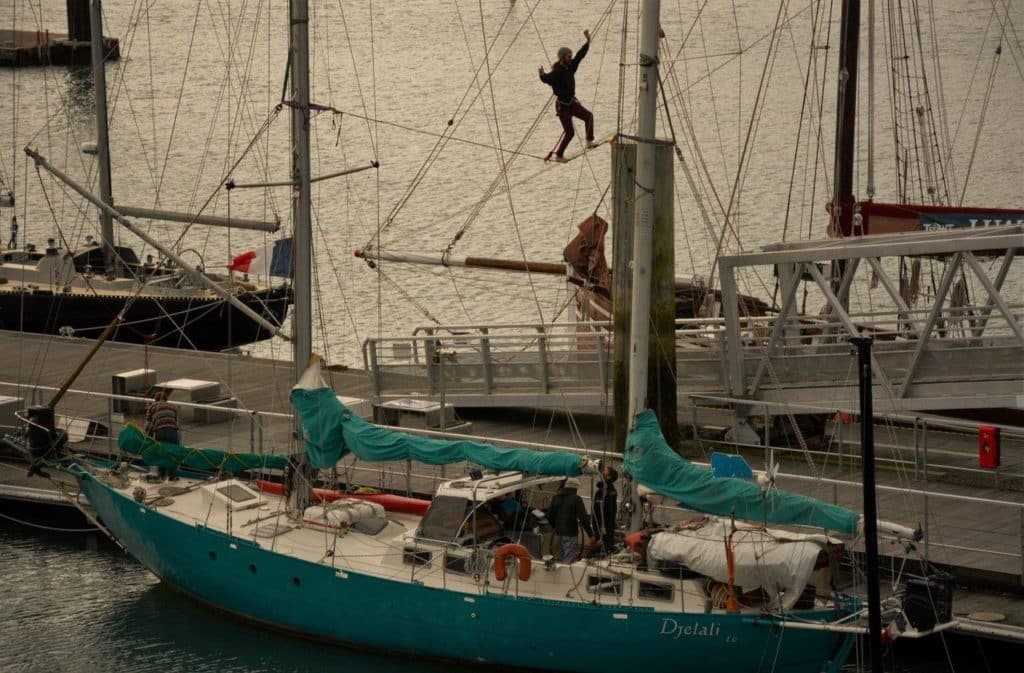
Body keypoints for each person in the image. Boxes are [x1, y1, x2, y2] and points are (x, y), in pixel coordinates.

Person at [538, 29, 597, 163]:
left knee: (589, 116)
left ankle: (589, 141)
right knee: (570, 133)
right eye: (569, 57)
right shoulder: (557, 71)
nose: (571, 58)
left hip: (571, 103)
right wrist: (541, 75)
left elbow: (580, 56)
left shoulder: (571, 67)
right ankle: (559, 155)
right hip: (563, 107)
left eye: (571, 56)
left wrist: (588, 41)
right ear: (563, 58)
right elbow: (548, 79)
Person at [545, 477, 595, 563]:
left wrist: (555, 526)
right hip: (570, 533)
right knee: (568, 559)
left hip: (558, 533)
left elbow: (549, 516)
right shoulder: (577, 499)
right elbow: (583, 518)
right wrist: (591, 535)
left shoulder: (555, 497)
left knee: (561, 557)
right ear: (575, 488)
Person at [592, 465, 618, 552]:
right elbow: (595, 511)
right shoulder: (599, 492)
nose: (602, 472)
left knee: (603, 551)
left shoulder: (611, 493)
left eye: (605, 471)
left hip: (605, 530)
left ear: (609, 477)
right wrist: (595, 529)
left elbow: (611, 514)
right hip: (597, 527)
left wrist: (606, 535)